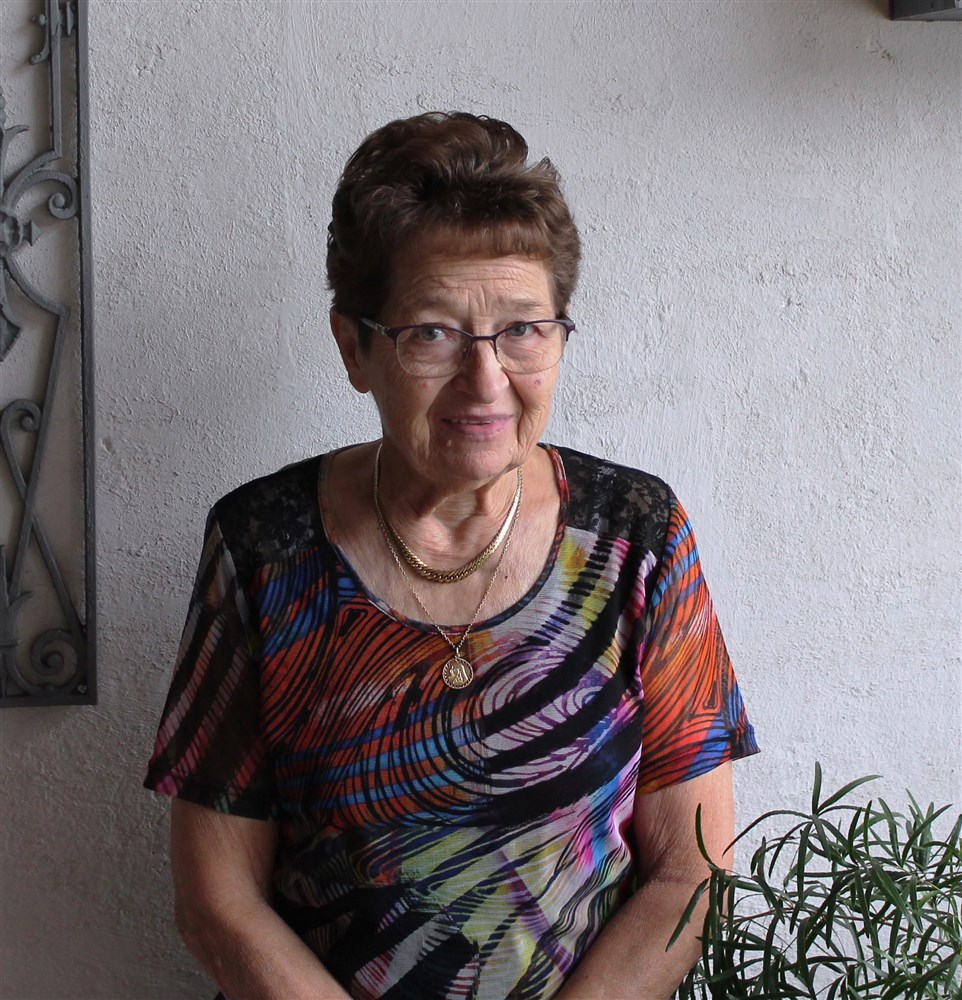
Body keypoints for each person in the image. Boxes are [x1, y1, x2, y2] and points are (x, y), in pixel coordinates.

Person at [145, 111, 759, 1000]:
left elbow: (691, 872)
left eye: (524, 329)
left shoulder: (638, 537)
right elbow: (217, 900)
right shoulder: (265, 547)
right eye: (433, 332)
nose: (487, 380)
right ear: (355, 347)